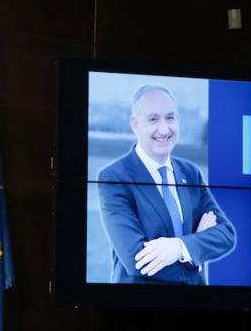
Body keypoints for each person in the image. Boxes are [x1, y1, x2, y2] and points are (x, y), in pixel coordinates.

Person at [97, 84, 235, 284]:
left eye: (170, 118)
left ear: (178, 121)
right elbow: (136, 261)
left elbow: (226, 234)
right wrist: (193, 254)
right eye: (153, 119)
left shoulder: (190, 173)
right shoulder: (114, 177)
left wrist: (179, 247)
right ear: (135, 124)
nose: (164, 129)